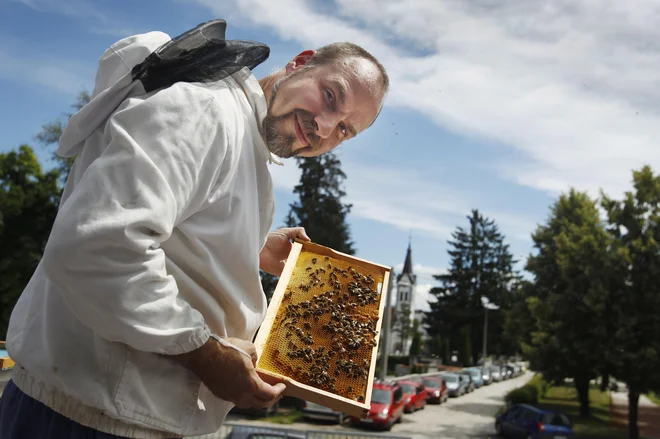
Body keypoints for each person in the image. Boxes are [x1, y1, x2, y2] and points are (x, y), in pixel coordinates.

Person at [0, 20, 388, 439]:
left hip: (116, 417)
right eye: (330, 97)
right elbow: (97, 247)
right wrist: (207, 357)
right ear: (299, 63)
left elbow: (164, 228)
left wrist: (253, 246)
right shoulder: (204, 110)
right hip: (85, 420)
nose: (326, 128)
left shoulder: (243, 135)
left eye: (345, 129)